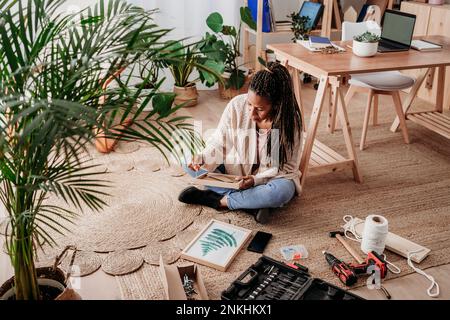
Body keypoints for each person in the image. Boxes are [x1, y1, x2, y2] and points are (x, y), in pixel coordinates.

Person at [178, 62, 303, 224]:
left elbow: (283, 169)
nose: (251, 113)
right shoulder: (237, 105)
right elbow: (219, 141)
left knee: (280, 193)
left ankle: (218, 201)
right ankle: (252, 204)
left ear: (276, 105)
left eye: (259, 109)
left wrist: (254, 180)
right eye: (250, 104)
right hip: (236, 173)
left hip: (271, 179)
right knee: (186, 161)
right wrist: (203, 157)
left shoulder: (289, 123)